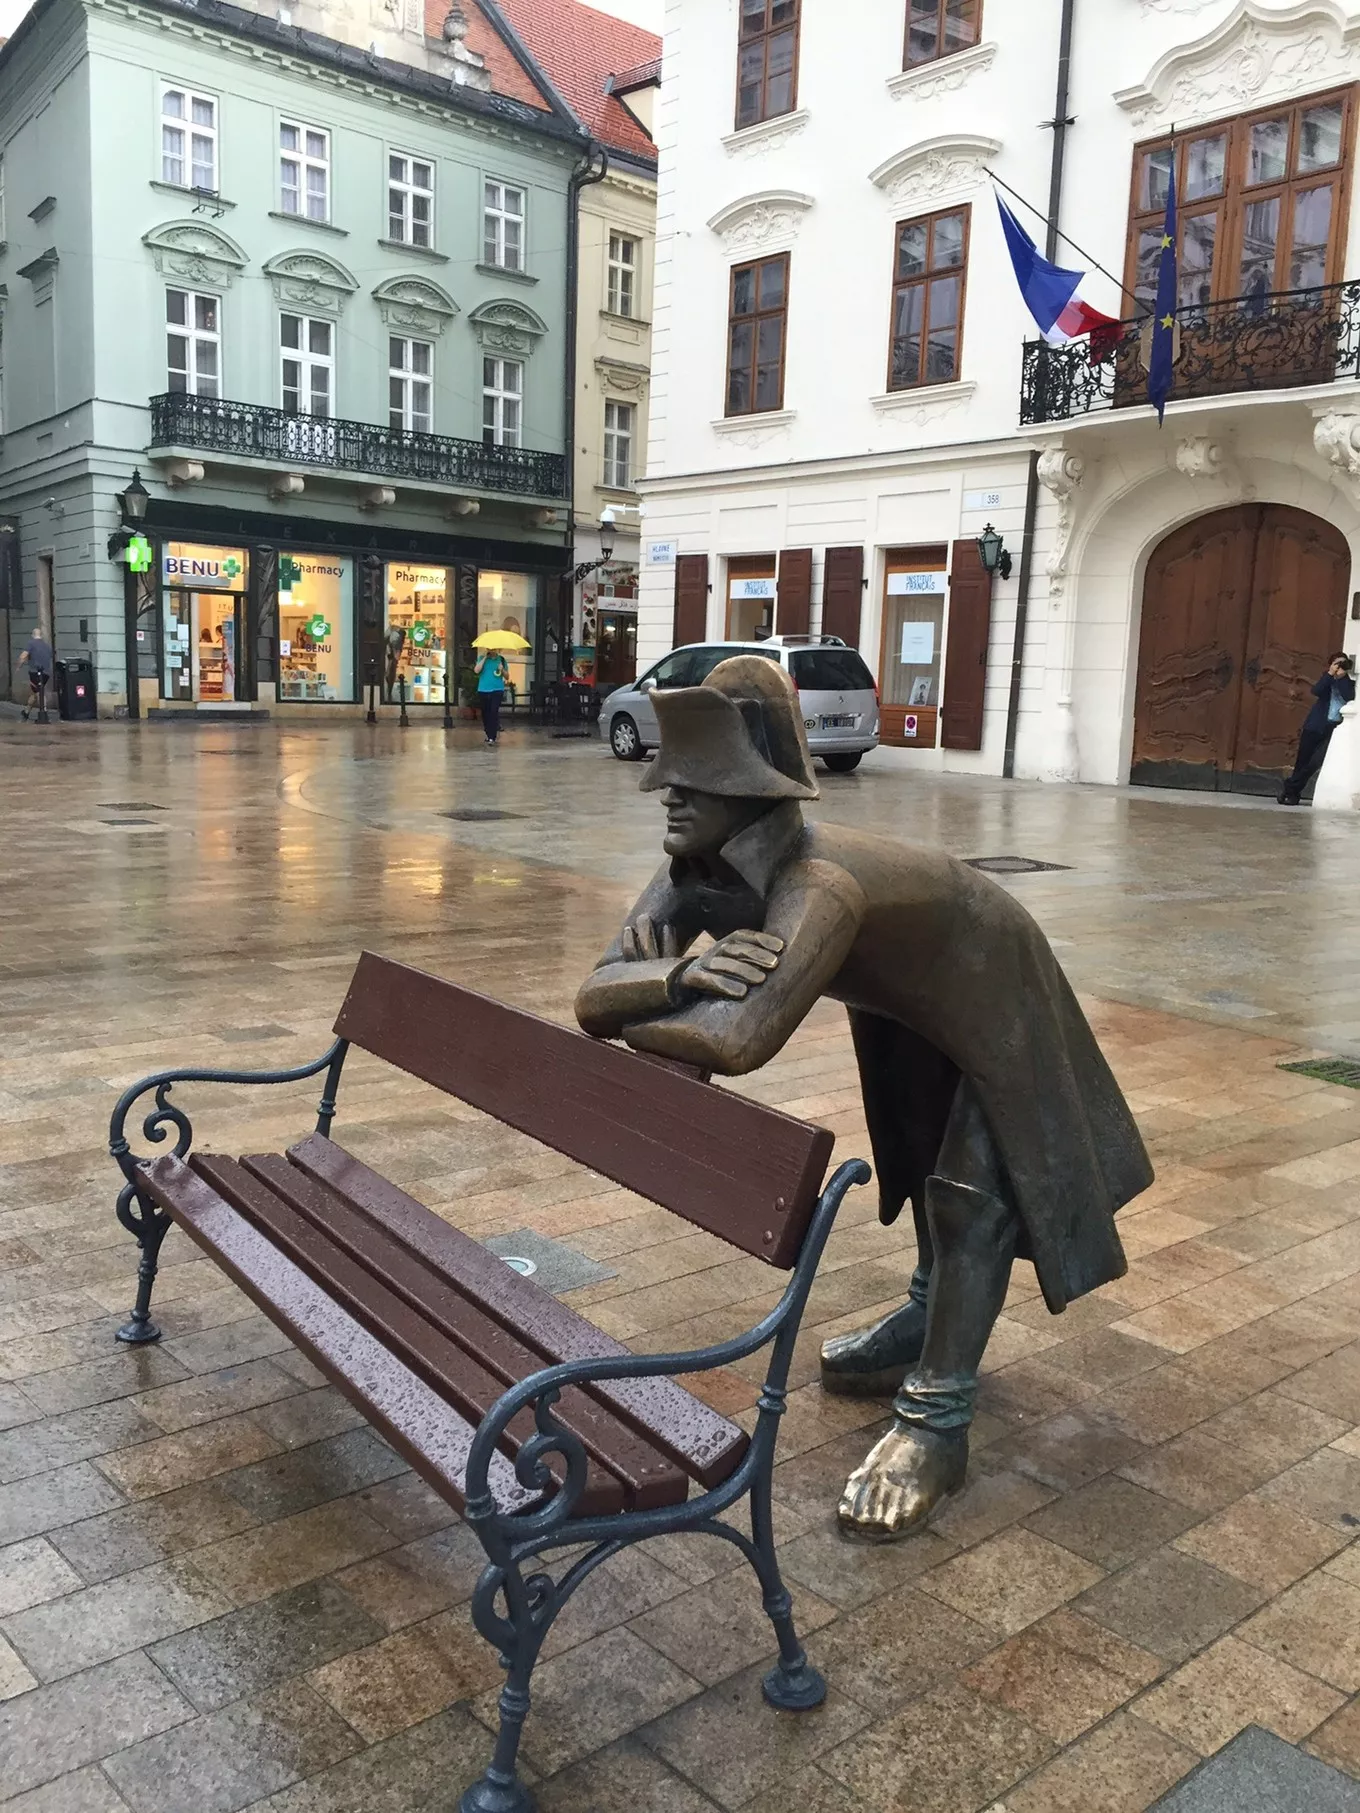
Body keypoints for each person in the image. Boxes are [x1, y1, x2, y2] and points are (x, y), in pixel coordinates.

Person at [575, 656, 1152, 1543]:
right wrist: (681, 976)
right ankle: (927, 1313)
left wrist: (646, 995)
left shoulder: (820, 884)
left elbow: (738, 1040)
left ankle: (937, 1423)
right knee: (918, 1143)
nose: (667, 790)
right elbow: (592, 997)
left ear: (754, 788)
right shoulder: (692, 865)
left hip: (991, 979)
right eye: (669, 769)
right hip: (905, 1001)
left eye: (697, 775)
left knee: (970, 1194)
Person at [1278, 653, 1356, 804]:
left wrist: (1341, 677)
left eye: (1342, 663)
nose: (1339, 666)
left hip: (1332, 728)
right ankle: (1293, 794)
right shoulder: (1326, 678)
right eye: (1336, 663)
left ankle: (1289, 787)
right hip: (1314, 725)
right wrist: (1330, 674)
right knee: (1302, 762)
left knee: (1314, 763)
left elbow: (1349, 697)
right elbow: (1316, 691)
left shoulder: (1348, 682)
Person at [18, 625, 53, 720]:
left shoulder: (31, 643)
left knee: (39, 692)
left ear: (32, 635)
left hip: (35, 672)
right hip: (46, 673)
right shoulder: (47, 646)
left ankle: (44, 713)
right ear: (41, 635)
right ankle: (26, 712)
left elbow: (23, 656)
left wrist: (19, 666)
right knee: (35, 692)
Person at [475, 648, 509, 745]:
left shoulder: (502, 660)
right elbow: (476, 670)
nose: (491, 650)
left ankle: (492, 737)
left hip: (497, 690)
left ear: (497, 649)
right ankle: (488, 733)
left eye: (493, 649)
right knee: (485, 713)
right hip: (483, 689)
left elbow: (507, 676)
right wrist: (485, 658)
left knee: (493, 712)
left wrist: (502, 670)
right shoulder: (482, 658)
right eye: (489, 649)